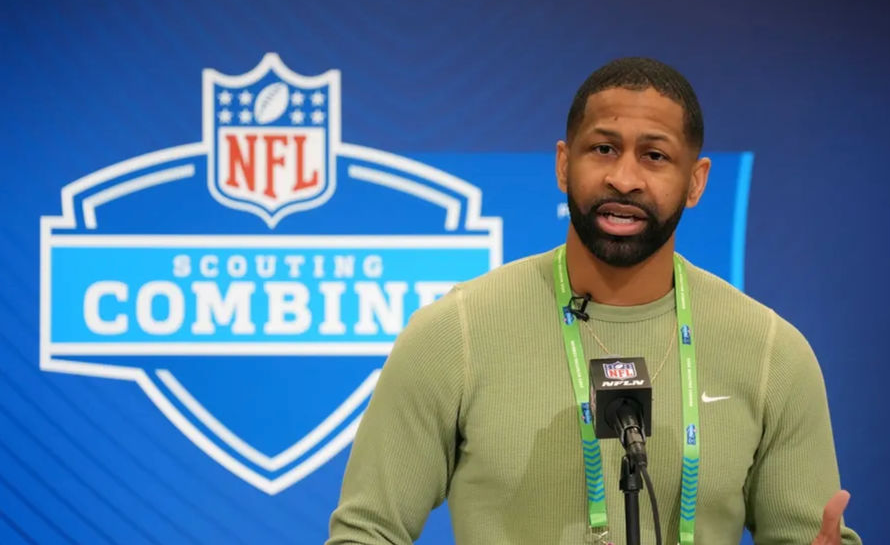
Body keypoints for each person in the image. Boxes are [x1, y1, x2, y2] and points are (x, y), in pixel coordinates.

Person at [327, 58, 861, 545]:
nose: (623, 178)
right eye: (603, 149)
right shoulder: (456, 333)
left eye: (654, 156)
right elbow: (366, 532)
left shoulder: (771, 353)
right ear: (564, 164)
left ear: (695, 182)